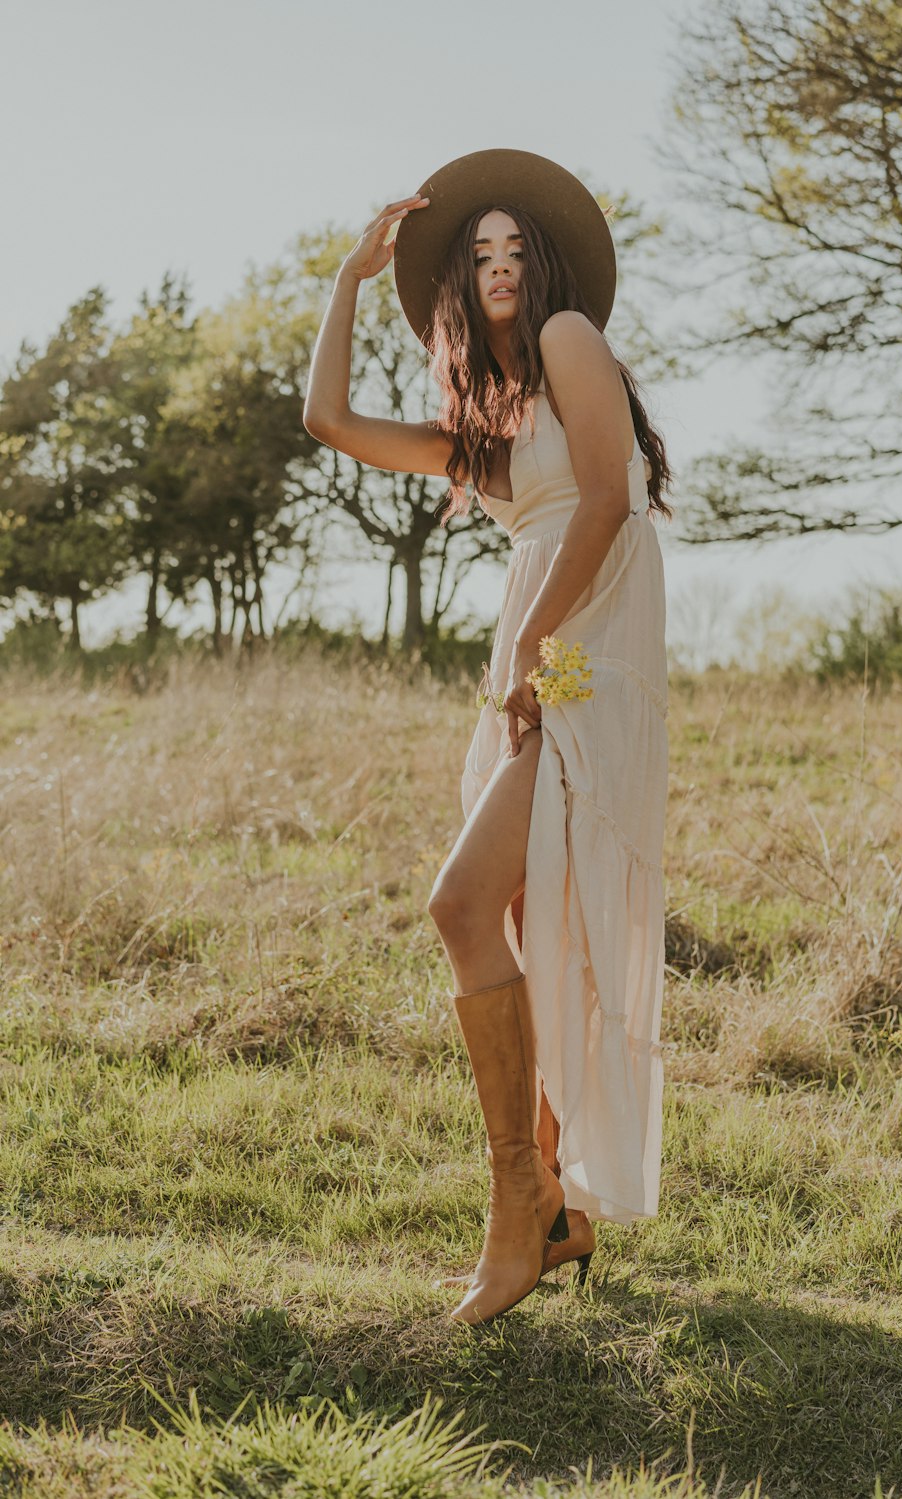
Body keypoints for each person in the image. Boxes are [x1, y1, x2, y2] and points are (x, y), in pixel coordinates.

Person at [303, 148, 672, 1329]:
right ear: (459, 283)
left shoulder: (571, 337)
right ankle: (551, 1207)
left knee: (461, 904)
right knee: (516, 920)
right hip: (533, 662)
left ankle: (521, 1206)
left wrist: (530, 654)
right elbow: (329, 420)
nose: (501, 265)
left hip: (585, 655)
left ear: (544, 265)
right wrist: (350, 279)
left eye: (516, 248)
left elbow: (607, 499)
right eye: (480, 253)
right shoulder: (491, 424)